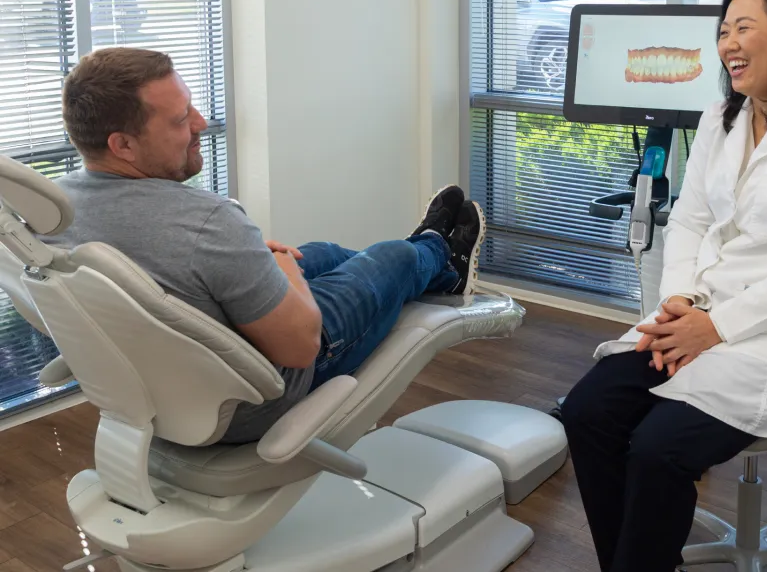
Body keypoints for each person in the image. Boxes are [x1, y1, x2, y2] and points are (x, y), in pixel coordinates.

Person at [561, 0, 767, 572]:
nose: (728, 41)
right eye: (724, 29)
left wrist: (715, 328)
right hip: (698, 312)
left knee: (658, 448)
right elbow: (688, 221)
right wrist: (679, 303)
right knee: (588, 413)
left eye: (744, 27)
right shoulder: (721, 116)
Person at [46, 47, 486, 445]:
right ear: (122, 144)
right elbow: (299, 349)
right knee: (394, 257)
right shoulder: (207, 221)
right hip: (254, 397)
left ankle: (438, 275)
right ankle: (436, 251)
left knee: (325, 253)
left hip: (170, 384)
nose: (200, 122)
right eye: (180, 119)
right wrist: (283, 269)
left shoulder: (56, 211)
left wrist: (257, 259)